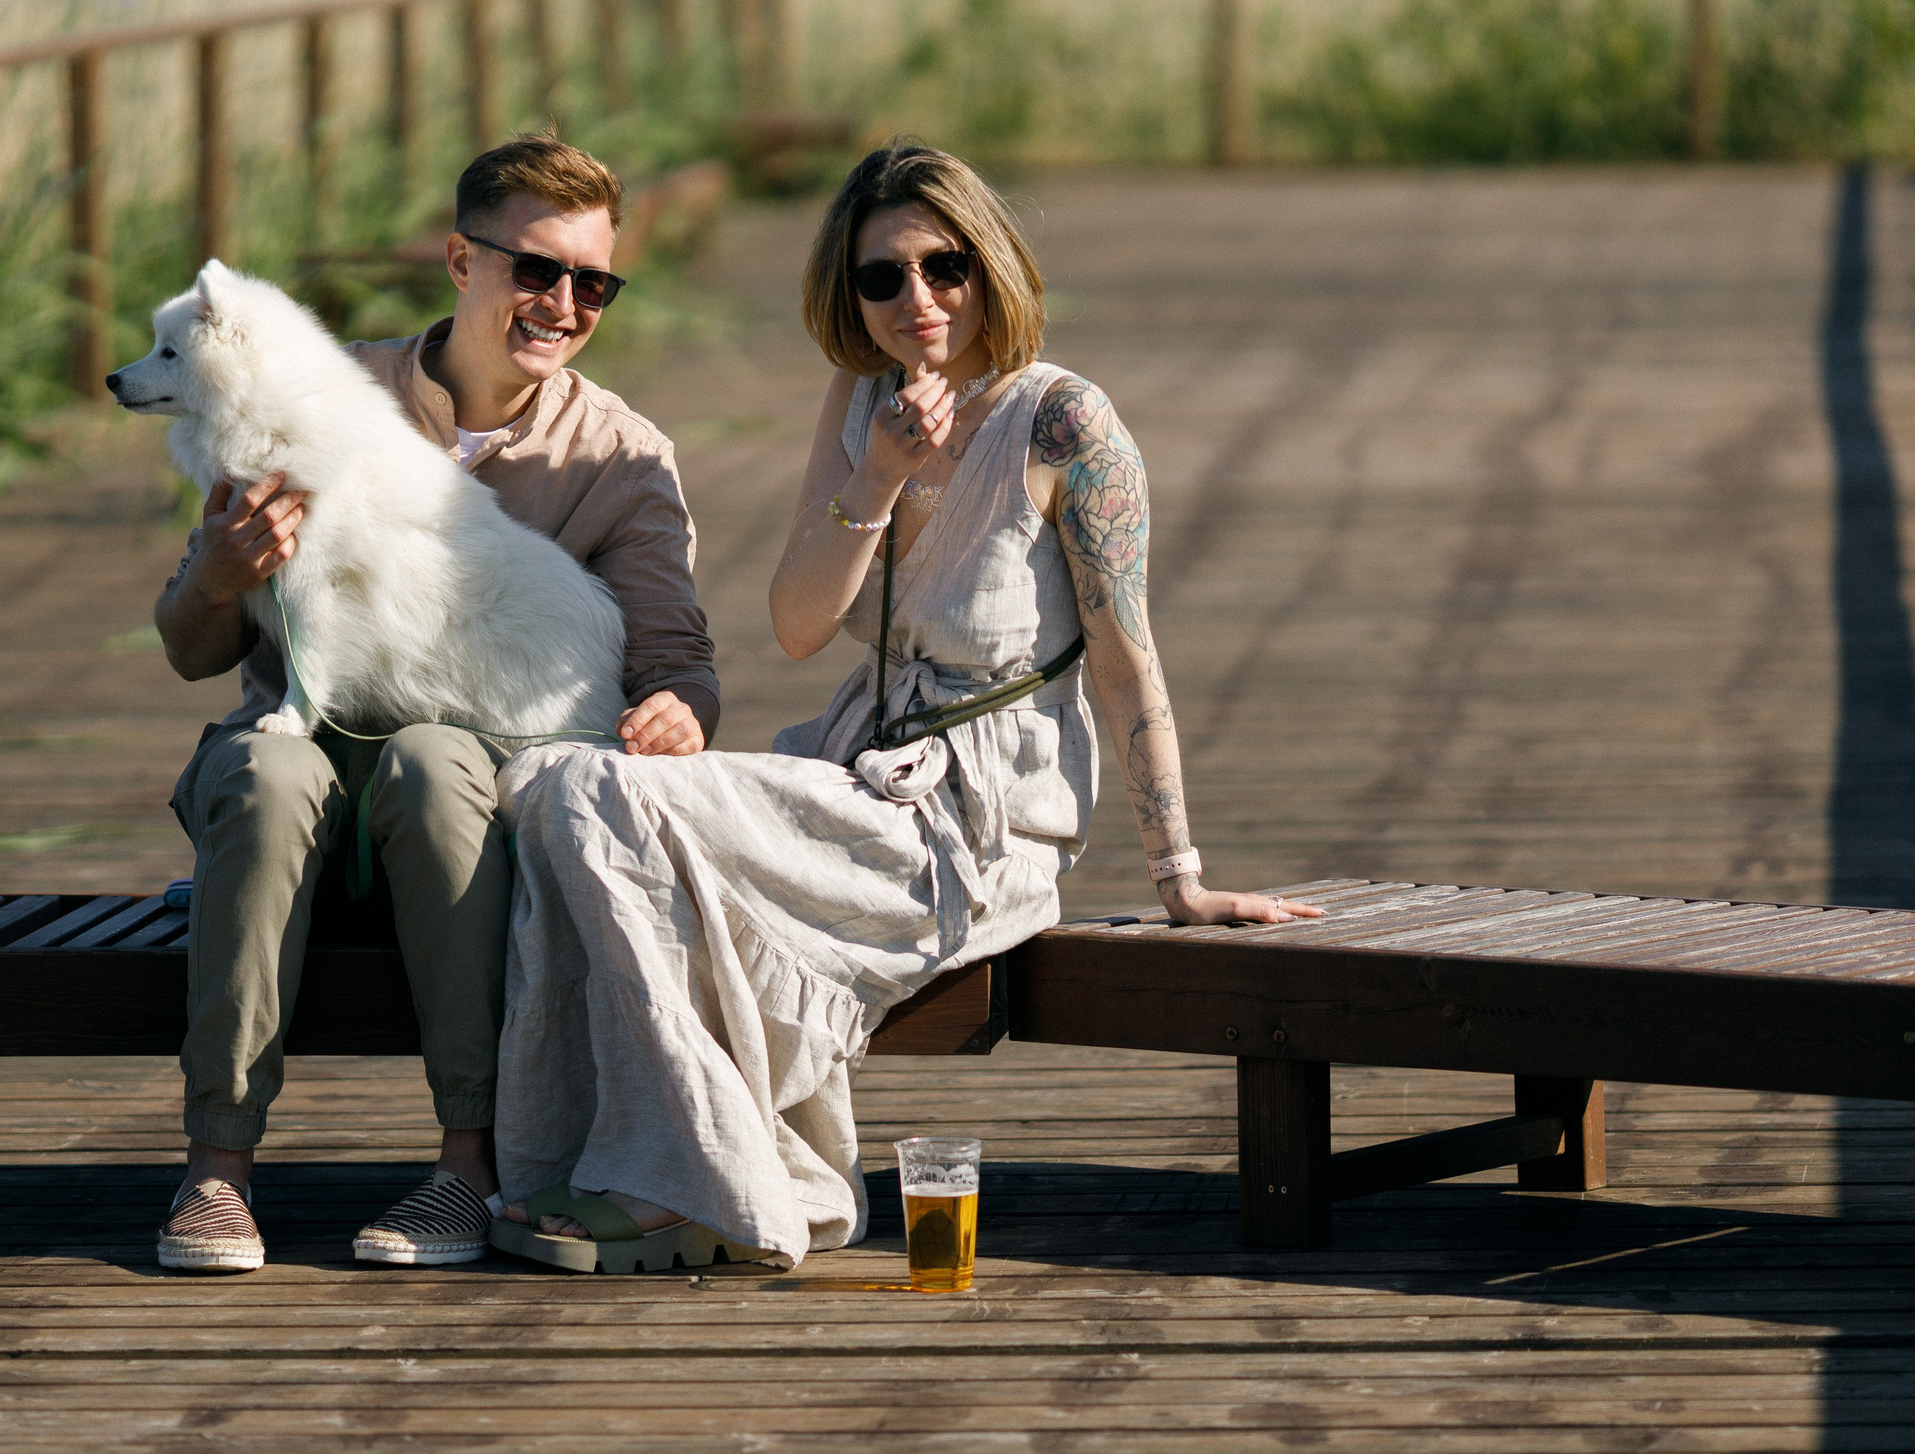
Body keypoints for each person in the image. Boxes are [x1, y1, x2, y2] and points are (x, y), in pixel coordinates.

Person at [487, 143, 1324, 1274]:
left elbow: (1127, 662)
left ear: (992, 268)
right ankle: (667, 1161)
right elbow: (793, 624)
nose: (916, 300)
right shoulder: (860, 403)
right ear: (850, 291)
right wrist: (875, 476)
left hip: (973, 824)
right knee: (555, 783)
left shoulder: (1064, 425)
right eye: (882, 278)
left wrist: (1178, 876)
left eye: (946, 267)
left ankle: (687, 1186)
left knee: (599, 794)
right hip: (855, 770)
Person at [152, 134, 721, 1274]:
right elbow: (187, 649)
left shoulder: (619, 455)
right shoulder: (309, 389)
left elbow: (673, 654)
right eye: (535, 270)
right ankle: (217, 1168)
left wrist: (680, 710)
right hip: (294, 774)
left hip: (463, 799)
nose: (563, 303)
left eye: (592, 282)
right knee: (266, 771)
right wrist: (222, 571)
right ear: (462, 260)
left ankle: (470, 1166)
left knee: (431, 754)